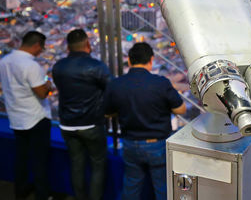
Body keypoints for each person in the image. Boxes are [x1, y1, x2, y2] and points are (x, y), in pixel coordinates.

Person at [104, 42, 186, 200]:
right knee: (162, 187)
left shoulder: (116, 84)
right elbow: (181, 109)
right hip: (157, 144)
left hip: (130, 143)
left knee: (131, 186)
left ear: (129, 61)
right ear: (151, 60)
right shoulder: (160, 83)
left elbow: (107, 113)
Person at [52, 29, 112, 200]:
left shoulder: (58, 67)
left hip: (66, 124)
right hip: (91, 123)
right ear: (87, 44)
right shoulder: (96, 66)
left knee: (76, 164)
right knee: (98, 165)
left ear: (68, 47)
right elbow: (111, 90)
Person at [0, 31, 53, 200]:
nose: (41, 51)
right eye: (42, 48)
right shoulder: (31, 65)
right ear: (37, 45)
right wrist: (48, 85)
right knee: (40, 161)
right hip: (35, 117)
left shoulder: (5, 61)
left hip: (16, 117)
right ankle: (42, 195)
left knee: (21, 158)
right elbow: (42, 93)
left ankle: (20, 191)